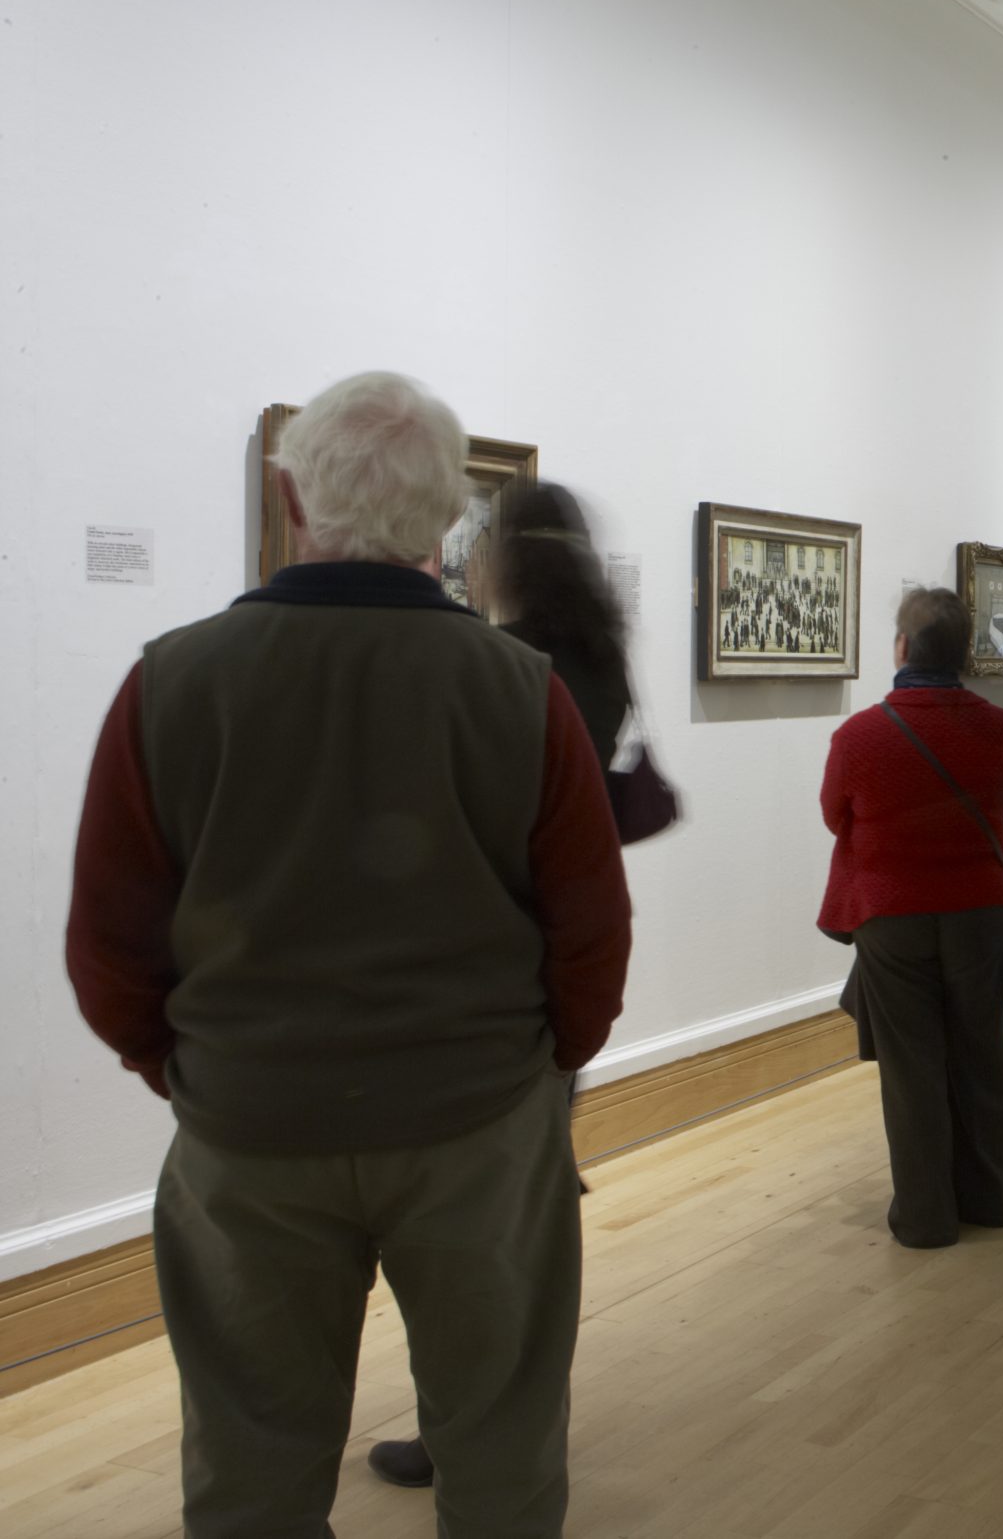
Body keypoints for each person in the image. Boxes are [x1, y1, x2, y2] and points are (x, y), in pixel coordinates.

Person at [65, 372, 632, 1538]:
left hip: (252, 1128)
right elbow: (591, 928)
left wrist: (181, 1064)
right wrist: (540, 1064)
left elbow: (109, 940)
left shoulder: (171, 681)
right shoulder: (518, 690)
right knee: (501, 1438)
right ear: (446, 518)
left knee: (249, 1459)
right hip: (476, 1121)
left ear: (289, 494)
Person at [368, 479, 639, 1494]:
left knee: (473, 1241)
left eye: (474, 538)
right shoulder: (593, 659)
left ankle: (469, 1440)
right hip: (546, 966)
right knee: (511, 1227)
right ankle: (496, 1438)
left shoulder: (510, 669)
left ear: (506, 555)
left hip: (486, 972)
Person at [818, 588, 1003, 1249]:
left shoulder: (859, 735)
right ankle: (989, 1199)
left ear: (902, 648)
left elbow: (834, 814)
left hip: (892, 913)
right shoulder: (996, 727)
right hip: (981, 909)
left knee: (911, 1068)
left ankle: (926, 1215)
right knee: (982, 1054)